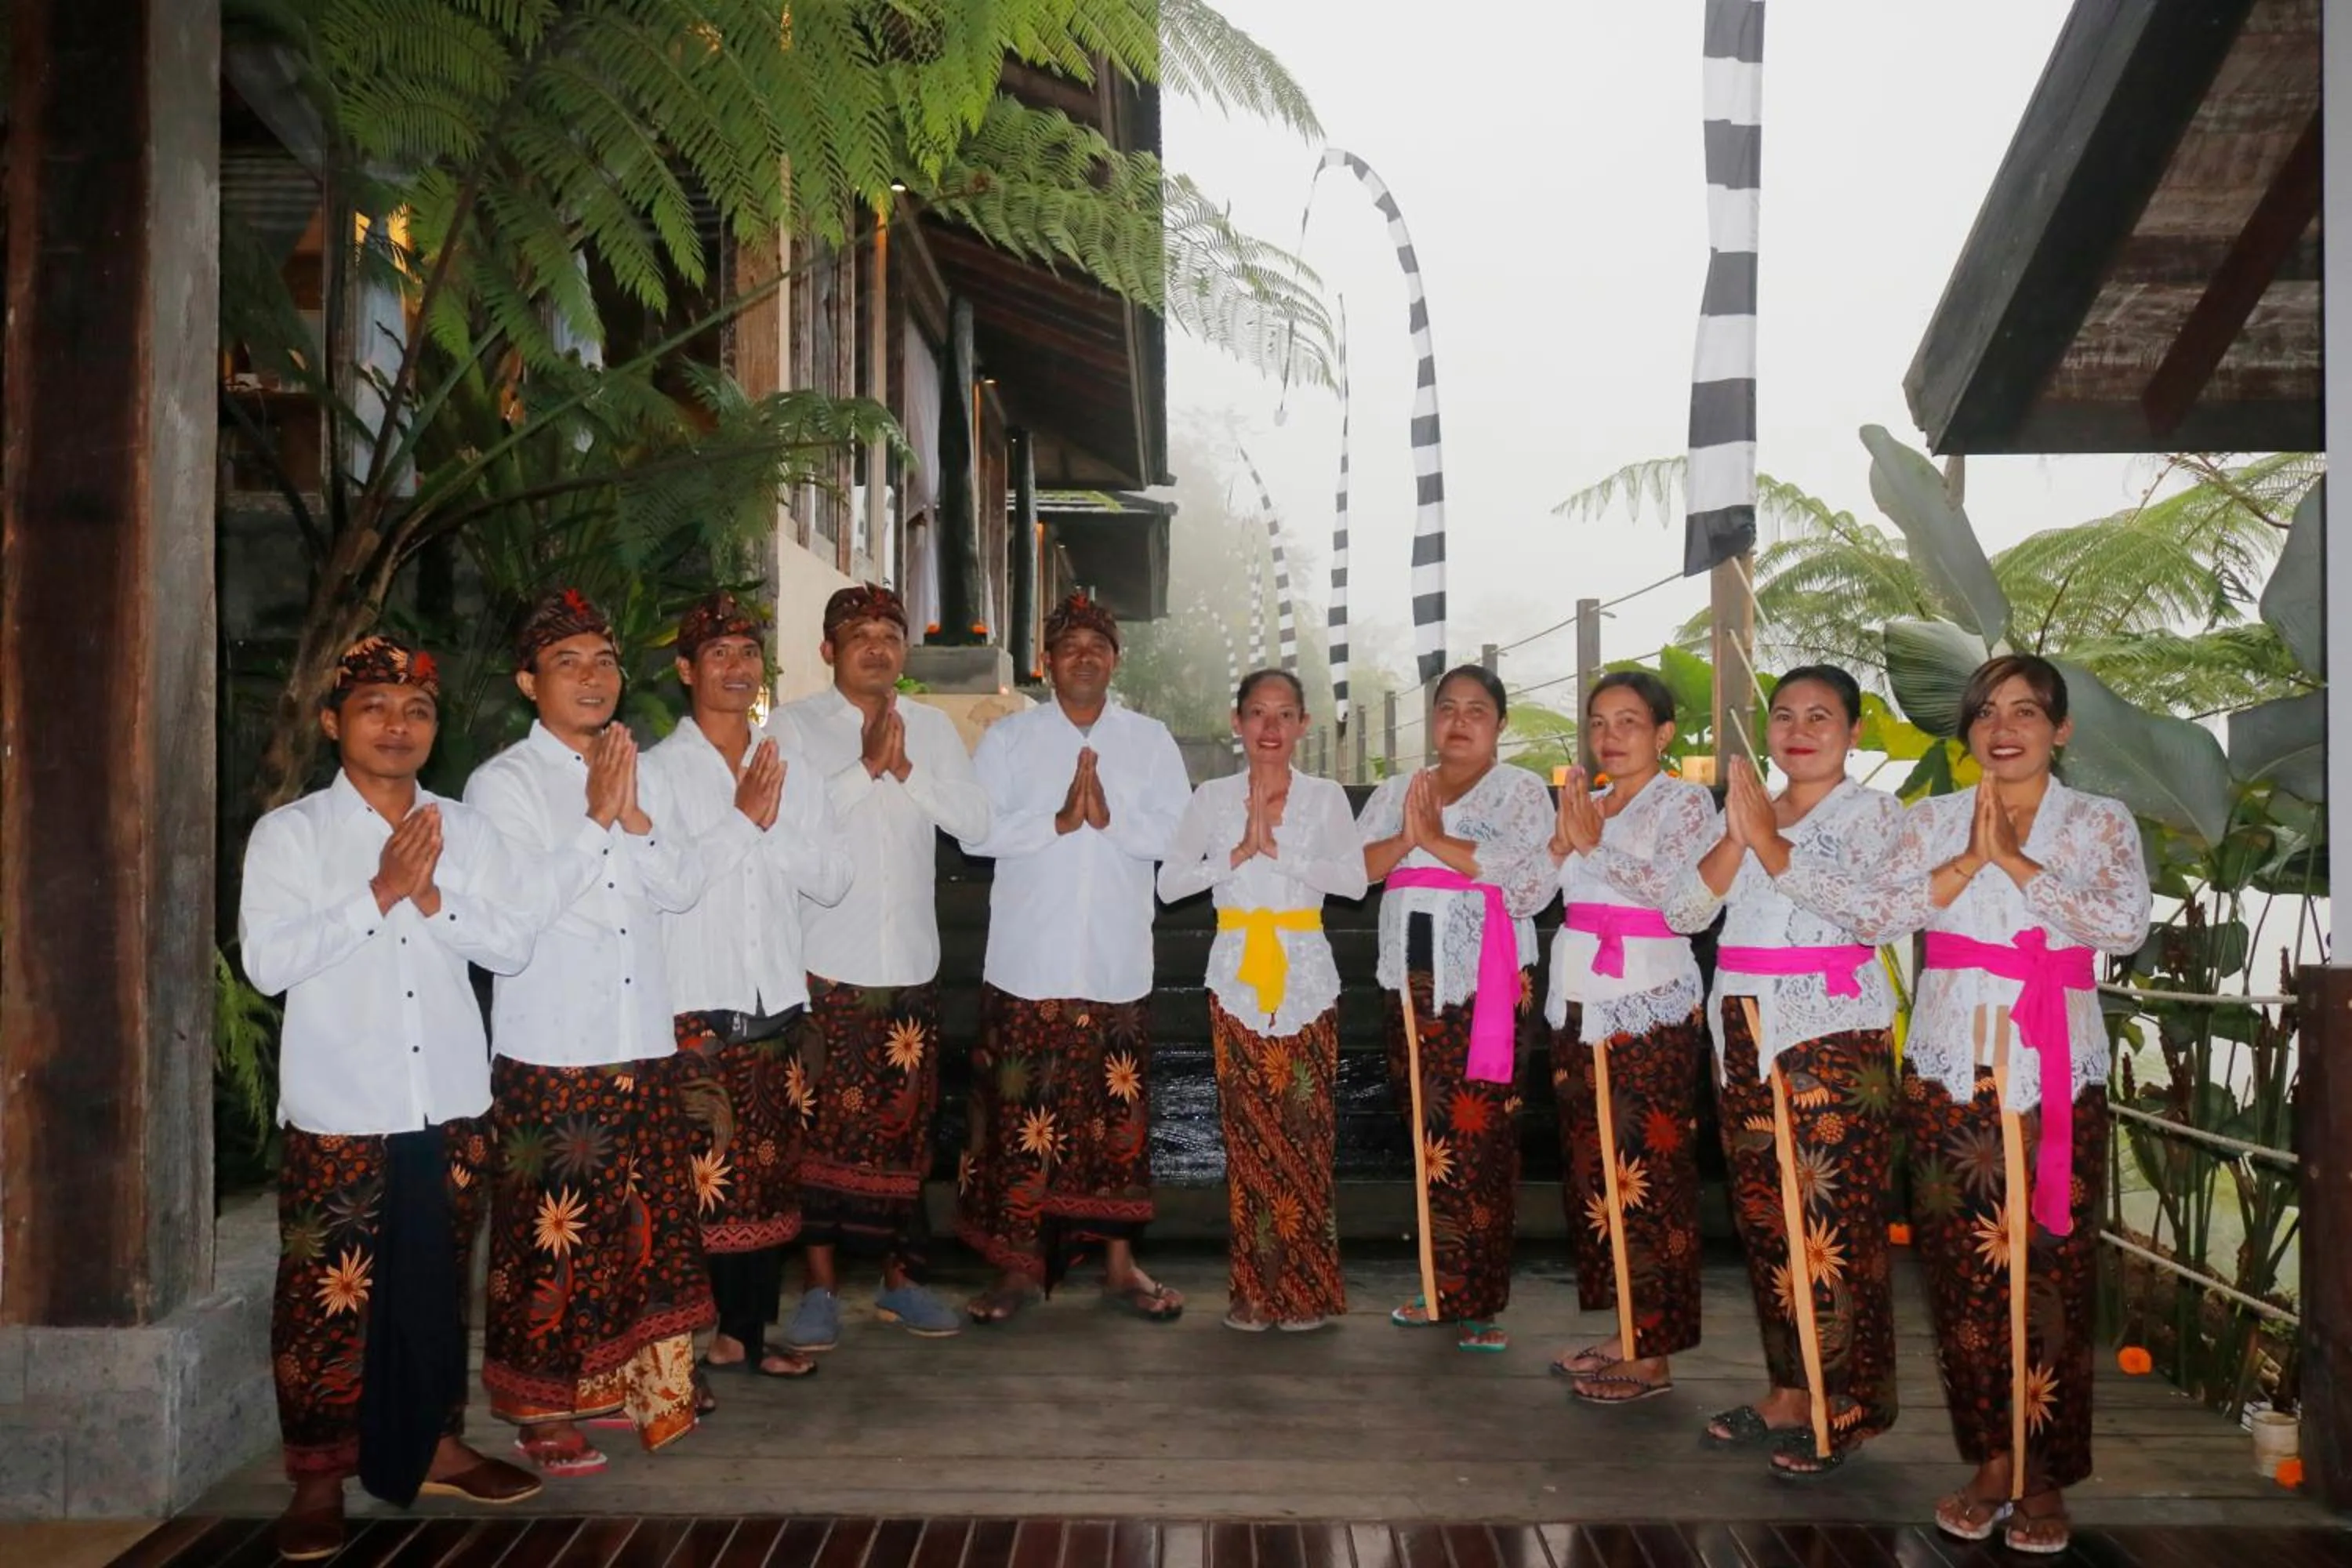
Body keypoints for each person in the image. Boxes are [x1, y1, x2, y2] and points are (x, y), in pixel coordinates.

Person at [1835, 655, 2148, 1555]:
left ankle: (2045, 1473)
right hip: (1948, 1064)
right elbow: (1873, 915)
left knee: (2052, 1273)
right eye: (1984, 713)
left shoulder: (2099, 820)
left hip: (2058, 1067)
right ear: (1967, 730)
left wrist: (2015, 858)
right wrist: (1969, 857)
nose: (2002, 726)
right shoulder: (1927, 818)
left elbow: (2122, 923)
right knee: (1962, 1272)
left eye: (2025, 710)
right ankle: (1989, 1460)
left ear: (2061, 728)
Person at [239, 636, 543, 1561]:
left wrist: (431, 893)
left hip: (448, 1100)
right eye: (375, 707)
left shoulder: (467, 828)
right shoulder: (290, 835)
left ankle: (435, 1442)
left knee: (431, 1292)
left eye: (415, 709)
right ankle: (320, 1475)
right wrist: (378, 891)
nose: (398, 725)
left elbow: (512, 945)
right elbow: (267, 961)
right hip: (342, 1107)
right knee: (326, 1303)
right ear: (335, 721)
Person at [463, 589, 714, 1475]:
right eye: (568, 662)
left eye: (604, 660)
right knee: (551, 1237)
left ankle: (614, 1384)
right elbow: (517, 913)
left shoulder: (630, 764)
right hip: (553, 1048)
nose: (593, 677)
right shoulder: (503, 784)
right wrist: (598, 817)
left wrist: (630, 812)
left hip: (640, 1031)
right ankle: (540, 1409)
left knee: (633, 1226)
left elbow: (681, 886)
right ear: (529, 680)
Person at [1665, 665, 1906, 1476]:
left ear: (1855, 730)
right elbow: (1683, 913)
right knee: (1766, 1215)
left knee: (1835, 1222)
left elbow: (1877, 912)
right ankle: (1788, 1388)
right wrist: (1740, 833)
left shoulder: (1877, 815)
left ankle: (1849, 1403)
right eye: (1785, 715)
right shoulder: (1747, 809)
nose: (1800, 728)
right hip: (1742, 1020)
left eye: (1821, 715)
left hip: (1831, 1026)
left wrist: (1770, 840)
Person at [954, 593, 1195, 1323]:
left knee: (1116, 1127)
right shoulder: (1010, 742)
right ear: (1046, 662)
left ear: (1115, 659)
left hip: (1115, 967)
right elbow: (976, 833)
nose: (1084, 655)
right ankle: (1017, 1271)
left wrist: (1111, 820)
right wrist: (1058, 821)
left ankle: (1122, 1267)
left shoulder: (1150, 741)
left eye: (1097, 643)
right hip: (1028, 965)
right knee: (1020, 1121)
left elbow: (1183, 837)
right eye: (1069, 645)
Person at [770, 583, 991, 1345]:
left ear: (905, 649)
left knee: (907, 1136)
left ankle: (904, 1282)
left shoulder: (931, 728)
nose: (875, 645)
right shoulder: (793, 728)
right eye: (857, 633)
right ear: (828, 649)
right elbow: (783, 829)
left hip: (910, 969)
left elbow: (978, 824)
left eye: (889, 632)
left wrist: (906, 772)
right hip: (826, 968)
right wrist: (865, 768)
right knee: (820, 1140)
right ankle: (821, 1290)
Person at [641, 590, 851, 1383]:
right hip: (695, 1008)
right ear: (686, 669)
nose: (736, 666)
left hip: (778, 1006)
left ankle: (743, 1336)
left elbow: (832, 878)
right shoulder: (659, 773)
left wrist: (771, 819)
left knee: (766, 1183)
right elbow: (668, 886)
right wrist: (739, 820)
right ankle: (676, 1353)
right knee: (696, 1187)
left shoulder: (789, 769)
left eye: (748, 651)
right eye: (718, 653)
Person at [1159, 669, 1367, 1332]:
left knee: (1305, 1137)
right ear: (1237, 722)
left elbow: (1356, 882)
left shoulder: (1327, 797)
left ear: (1304, 724)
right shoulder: (1212, 799)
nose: (1270, 729)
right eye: (1257, 714)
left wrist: (1280, 854)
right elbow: (1169, 885)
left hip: (1306, 978)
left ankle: (1305, 1289)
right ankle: (1253, 1289)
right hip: (1237, 978)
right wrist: (1238, 853)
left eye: (1284, 715)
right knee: (1248, 1139)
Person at [1357, 666, 1555, 1352]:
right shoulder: (1397, 790)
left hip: (1487, 978)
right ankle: (1438, 1282)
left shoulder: (1523, 791)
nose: (1461, 721)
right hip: (1408, 979)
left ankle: (1479, 1296)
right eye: (1448, 708)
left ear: (1500, 724)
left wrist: (1433, 841)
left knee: (1481, 1137)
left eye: (1478, 709)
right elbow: (1358, 867)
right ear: (1431, 719)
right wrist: (1412, 839)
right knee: (1429, 1136)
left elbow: (1524, 873)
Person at [1545, 670, 1716, 1405]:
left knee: (1651, 1179)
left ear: (1665, 734)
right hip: (1578, 1000)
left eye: (1629, 723)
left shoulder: (1686, 804)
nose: (1610, 738)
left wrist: (1596, 845)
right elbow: (1527, 893)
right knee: (1597, 1178)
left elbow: (1681, 900)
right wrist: (1562, 843)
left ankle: (1656, 1355)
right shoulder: (1586, 805)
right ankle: (1627, 1332)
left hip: (1649, 1003)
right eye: (1599, 724)